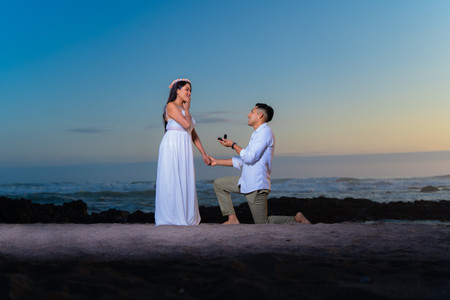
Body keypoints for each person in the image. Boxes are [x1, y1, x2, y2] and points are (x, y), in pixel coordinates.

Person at [208, 103, 311, 225]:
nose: (248, 114)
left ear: (260, 115)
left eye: (252, 112)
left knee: (262, 223)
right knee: (219, 185)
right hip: (246, 181)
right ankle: (232, 219)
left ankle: (296, 219)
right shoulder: (256, 135)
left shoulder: (265, 133)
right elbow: (242, 160)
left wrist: (233, 145)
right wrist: (216, 162)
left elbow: (250, 157)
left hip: (256, 185)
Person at [155, 78, 210, 226]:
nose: (189, 93)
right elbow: (186, 124)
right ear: (177, 91)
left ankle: (186, 215)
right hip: (173, 145)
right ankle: (171, 217)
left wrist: (204, 153)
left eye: (190, 90)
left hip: (184, 146)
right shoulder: (171, 106)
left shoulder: (185, 111)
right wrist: (187, 108)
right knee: (172, 179)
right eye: (186, 89)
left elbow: (193, 134)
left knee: (185, 178)